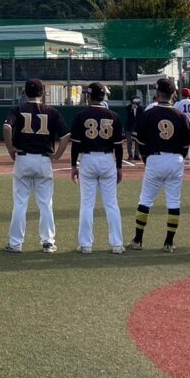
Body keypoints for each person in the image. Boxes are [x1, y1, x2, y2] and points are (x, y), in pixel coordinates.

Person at [3, 79, 69, 253]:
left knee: (20, 203)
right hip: (43, 160)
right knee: (45, 203)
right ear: (43, 93)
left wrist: (10, 148)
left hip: (23, 159)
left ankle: (15, 243)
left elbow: (7, 127)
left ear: (25, 92)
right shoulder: (52, 112)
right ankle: (48, 242)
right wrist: (57, 155)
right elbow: (65, 136)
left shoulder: (18, 109)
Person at [129, 78, 190, 252]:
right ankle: (169, 242)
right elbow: (188, 142)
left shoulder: (148, 114)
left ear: (157, 94)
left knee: (145, 200)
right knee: (173, 202)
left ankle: (138, 240)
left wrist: (146, 158)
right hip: (175, 160)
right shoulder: (181, 116)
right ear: (173, 95)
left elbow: (139, 141)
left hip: (155, 159)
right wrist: (180, 157)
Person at [70, 82, 125, 254]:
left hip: (88, 159)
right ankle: (117, 244)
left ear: (89, 96)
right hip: (107, 159)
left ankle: (86, 245)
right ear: (104, 96)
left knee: (87, 204)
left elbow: (75, 145)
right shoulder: (114, 116)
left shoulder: (81, 115)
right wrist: (119, 167)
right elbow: (118, 146)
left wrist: (73, 165)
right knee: (111, 204)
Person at [173, 87, 190, 169]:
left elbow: (175, 114)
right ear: (189, 94)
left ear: (181, 94)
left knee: (180, 144)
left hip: (182, 125)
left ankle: (179, 163)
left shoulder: (179, 103)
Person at [125, 96, 142, 161]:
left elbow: (140, 117)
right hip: (129, 127)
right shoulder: (128, 107)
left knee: (137, 141)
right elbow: (129, 115)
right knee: (129, 141)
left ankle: (136, 155)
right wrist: (132, 109)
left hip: (137, 128)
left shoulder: (140, 108)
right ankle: (130, 155)